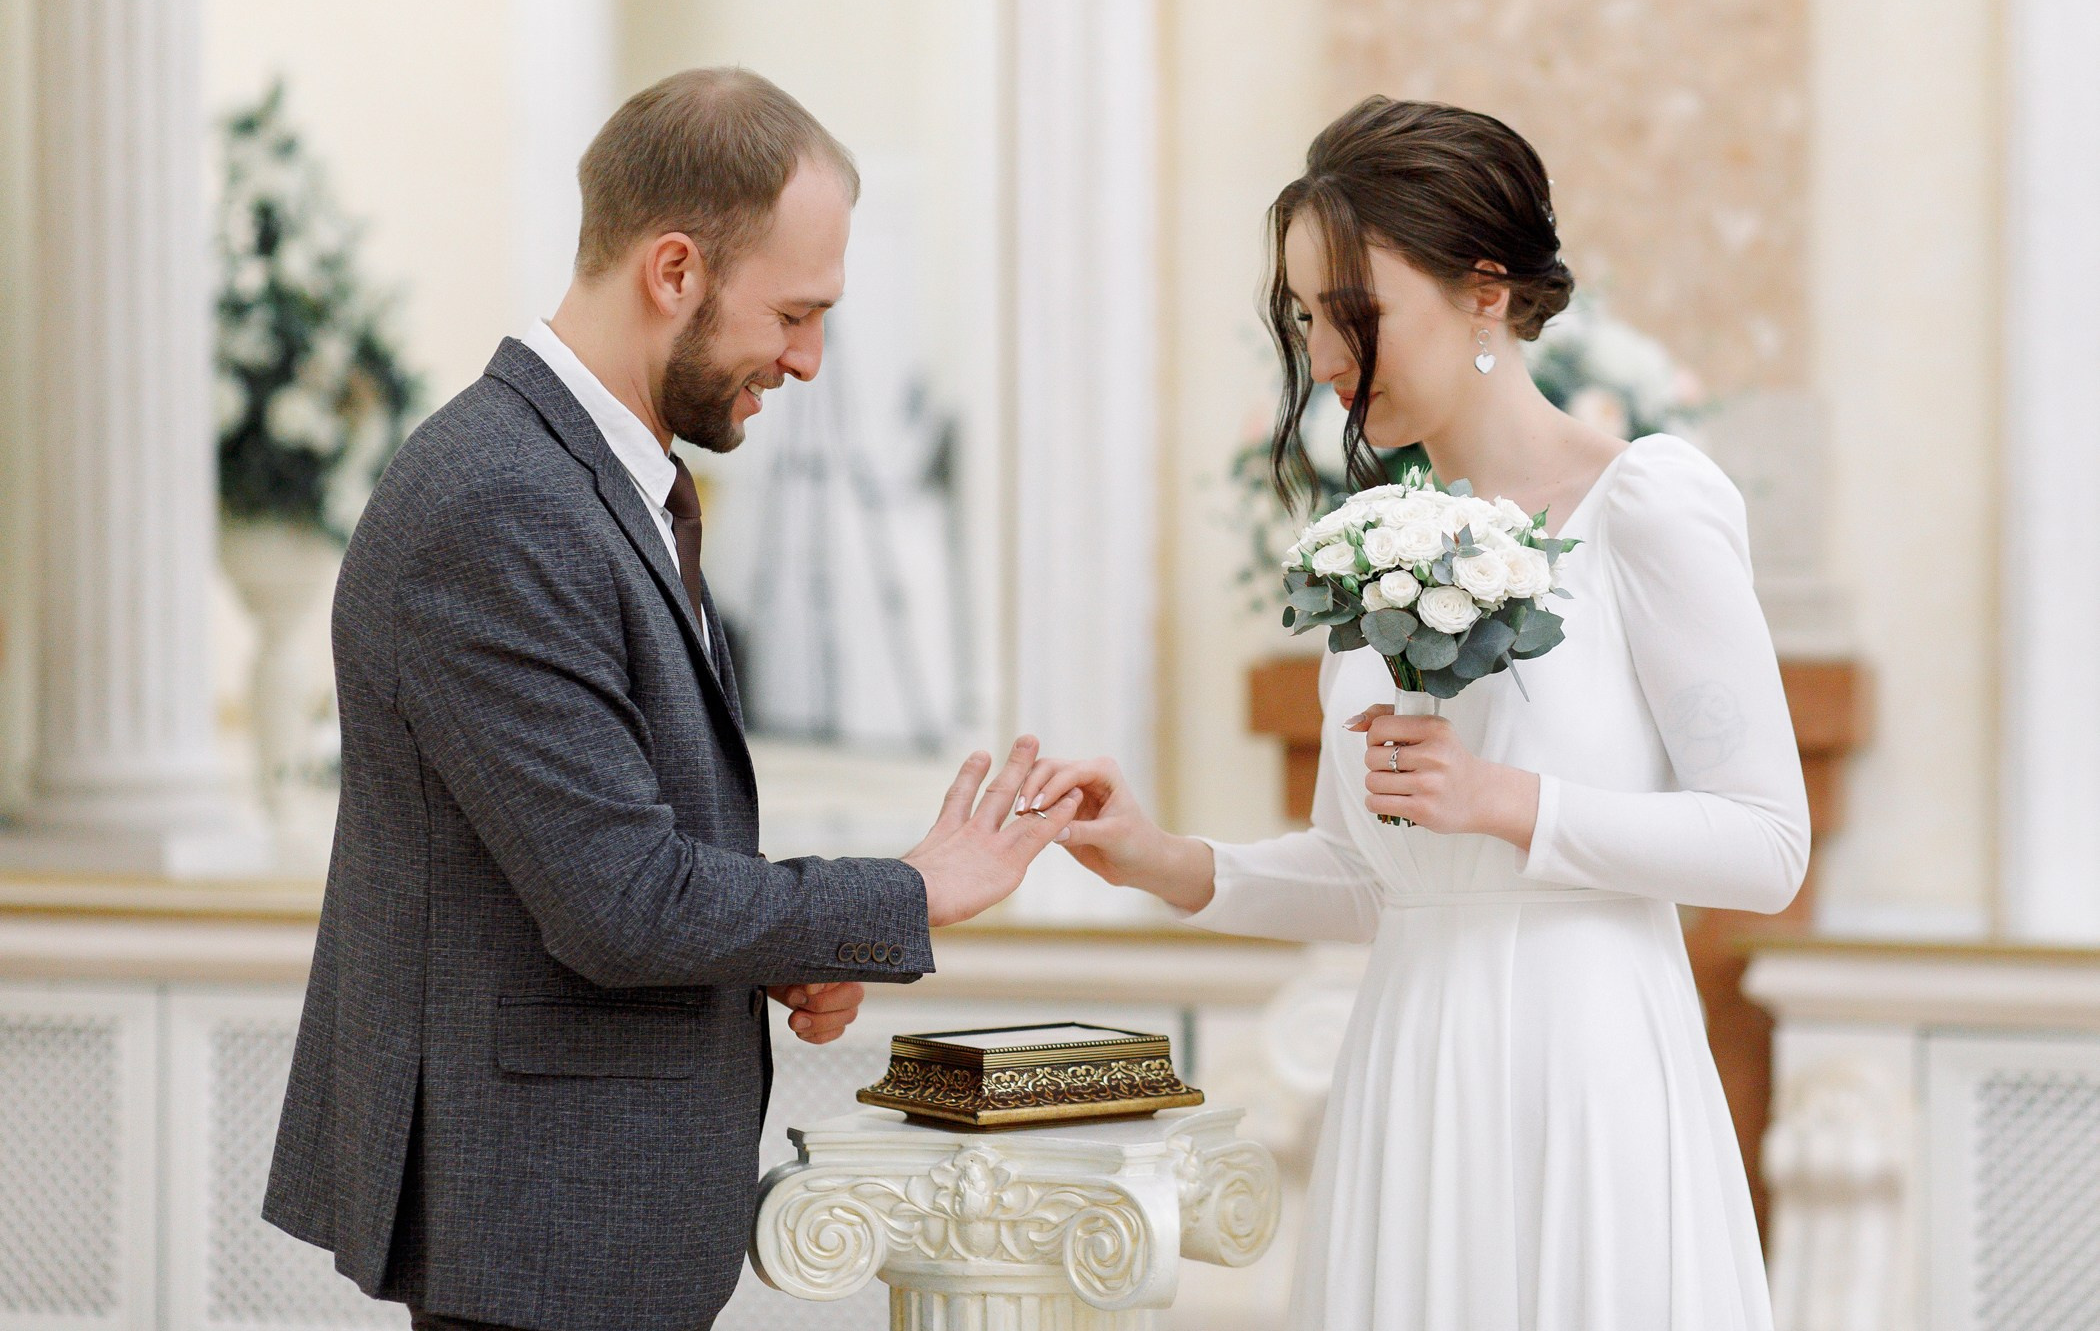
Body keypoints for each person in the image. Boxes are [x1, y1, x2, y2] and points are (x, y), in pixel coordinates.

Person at [262, 67, 1081, 1331]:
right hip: (541, 1223)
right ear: (675, 269)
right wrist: (911, 891)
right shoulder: (501, 501)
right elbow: (621, 901)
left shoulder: (586, 480)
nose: (809, 360)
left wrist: (792, 945)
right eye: (795, 314)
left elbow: (601, 852)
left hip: (584, 1216)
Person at [1022, 98, 1810, 1330]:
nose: (1324, 355)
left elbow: (1767, 844)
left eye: (1354, 312)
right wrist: (1164, 860)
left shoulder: (1647, 506)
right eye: (1302, 316)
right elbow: (1376, 871)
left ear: (1485, 292)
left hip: (1585, 1063)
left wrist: (1508, 801)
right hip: (1411, 1063)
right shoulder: (1371, 544)